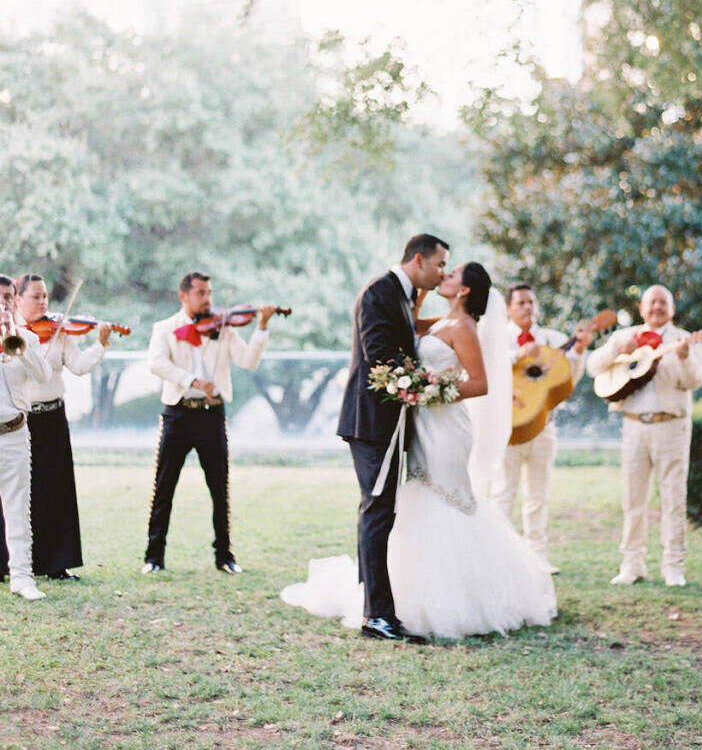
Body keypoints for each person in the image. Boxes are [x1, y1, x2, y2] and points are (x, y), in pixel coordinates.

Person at [284, 261, 557, 639]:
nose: (446, 273)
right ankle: (406, 592)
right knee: (416, 497)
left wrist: (432, 390)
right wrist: (421, 295)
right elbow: (407, 325)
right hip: (419, 424)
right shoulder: (439, 322)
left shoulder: (464, 328)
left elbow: (479, 384)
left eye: (453, 272)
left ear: (464, 290)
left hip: (446, 426)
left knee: (447, 498)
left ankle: (465, 598)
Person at [335, 233, 450, 643]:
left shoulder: (404, 296)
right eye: (439, 265)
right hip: (371, 423)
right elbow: (379, 355)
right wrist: (425, 384)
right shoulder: (379, 293)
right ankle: (378, 617)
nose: (442, 274)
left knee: (380, 509)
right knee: (378, 510)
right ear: (418, 260)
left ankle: (371, 600)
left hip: (389, 422)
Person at [142, 271, 275, 574]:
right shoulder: (164, 328)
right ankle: (153, 556)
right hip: (178, 412)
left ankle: (224, 556)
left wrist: (262, 327)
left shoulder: (224, 328)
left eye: (210, 292)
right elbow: (156, 362)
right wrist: (193, 380)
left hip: (212, 415)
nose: (208, 299)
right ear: (183, 296)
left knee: (219, 487)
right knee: (164, 486)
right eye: (201, 292)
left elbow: (248, 361)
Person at [586, 284, 702, 587]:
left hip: (671, 426)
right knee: (633, 498)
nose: (656, 309)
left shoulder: (683, 338)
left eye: (662, 303)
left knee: (673, 497)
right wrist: (617, 350)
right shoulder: (625, 337)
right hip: (633, 425)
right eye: (651, 303)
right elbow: (592, 367)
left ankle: (673, 565)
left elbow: (694, 381)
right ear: (641, 308)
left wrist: (684, 356)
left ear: (672, 309)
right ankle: (632, 564)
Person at [13, 272, 112, 581]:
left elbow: (80, 366)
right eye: (36, 296)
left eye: (45, 296)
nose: (43, 302)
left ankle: (56, 563)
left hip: (54, 418)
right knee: (18, 492)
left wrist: (101, 344)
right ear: (18, 299)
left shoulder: (60, 331)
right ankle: (14, 565)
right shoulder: (10, 331)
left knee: (56, 489)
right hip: (21, 421)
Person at [490, 282, 589, 572]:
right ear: (508, 308)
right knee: (503, 493)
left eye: (531, 302)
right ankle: (500, 558)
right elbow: (487, 368)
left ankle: (537, 558)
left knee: (537, 495)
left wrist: (580, 350)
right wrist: (517, 356)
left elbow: (569, 378)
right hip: (509, 426)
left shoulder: (552, 339)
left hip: (544, 427)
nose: (527, 308)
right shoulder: (498, 338)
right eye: (520, 303)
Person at [0, 283, 53, 600]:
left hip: (14, 434)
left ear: (15, 300)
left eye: (6, 297)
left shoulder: (28, 338)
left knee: (18, 509)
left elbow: (44, 375)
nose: (2, 303)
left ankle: (22, 577)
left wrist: (15, 337)